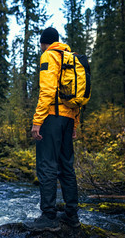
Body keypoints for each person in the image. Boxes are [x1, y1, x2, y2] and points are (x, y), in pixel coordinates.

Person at [24, 27, 81, 231]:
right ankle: (72, 215)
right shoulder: (70, 58)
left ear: (43, 43)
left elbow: (47, 91)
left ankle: (49, 216)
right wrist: (74, 123)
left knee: (47, 165)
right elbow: (76, 97)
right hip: (67, 119)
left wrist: (37, 121)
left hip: (51, 117)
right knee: (66, 166)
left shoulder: (49, 56)